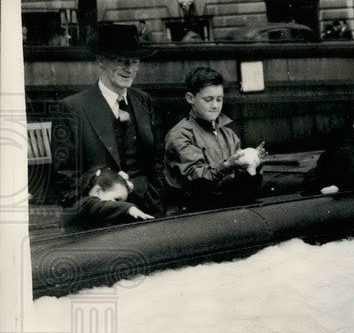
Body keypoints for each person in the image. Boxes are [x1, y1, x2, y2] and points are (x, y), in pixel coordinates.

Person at [52, 22, 165, 214]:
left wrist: (155, 196)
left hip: (150, 206)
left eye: (135, 61)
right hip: (102, 215)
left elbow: (156, 161)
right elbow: (66, 178)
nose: (129, 69)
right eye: (122, 60)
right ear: (101, 61)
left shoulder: (143, 101)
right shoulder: (73, 108)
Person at [163, 66, 266, 212]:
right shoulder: (180, 135)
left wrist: (253, 167)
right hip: (190, 217)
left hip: (224, 212)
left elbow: (241, 190)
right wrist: (227, 165)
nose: (215, 105)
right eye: (208, 99)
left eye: (219, 99)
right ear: (190, 98)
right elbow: (197, 182)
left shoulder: (229, 135)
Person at [62, 166, 155, 231]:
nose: (119, 204)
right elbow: (99, 205)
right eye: (117, 200)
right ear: (98, 192)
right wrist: (129, 208)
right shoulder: (85, 204)